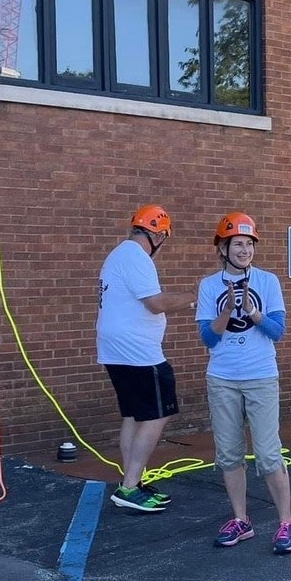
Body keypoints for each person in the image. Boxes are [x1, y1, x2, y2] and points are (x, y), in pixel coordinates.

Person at [196, 212, 291, 554]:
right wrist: (227, 311)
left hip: (261, 377)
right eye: (237, 244)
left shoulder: (268, 281)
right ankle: (241, 520)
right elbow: (208, 339)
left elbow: (278, 332)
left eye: (249, 244)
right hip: (222, 378)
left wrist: (254, 312)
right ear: (223, 249)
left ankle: (286, 523)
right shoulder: (210, 286)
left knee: (269, 454)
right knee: (228, 455)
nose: (244, 250)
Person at [97, 204, 195, 513]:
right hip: (137, 352)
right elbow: (155, 303)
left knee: (133, 415)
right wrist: (196, 294)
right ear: (159, 235)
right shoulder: (136, 258)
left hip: (116, 348)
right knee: (157, 414)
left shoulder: (120, 254)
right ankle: (128, 487)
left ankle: (131, 480)